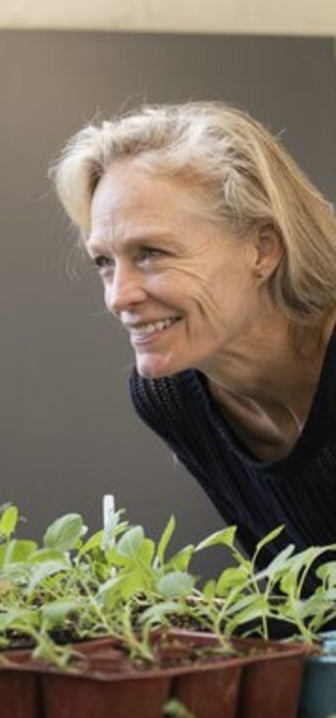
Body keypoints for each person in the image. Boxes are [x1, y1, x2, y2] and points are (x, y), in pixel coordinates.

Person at [50, 101, 336, 557]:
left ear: (262, 249)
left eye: (152, 253)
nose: (118, 296)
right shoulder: (172, 396)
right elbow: (286, 592)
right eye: (104, 262)